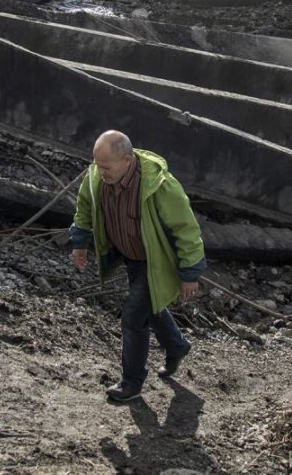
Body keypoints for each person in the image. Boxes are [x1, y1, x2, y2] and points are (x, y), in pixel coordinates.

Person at [69, 130, 206, 402]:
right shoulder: (97, 176)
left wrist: (190, 273)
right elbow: (84, 206)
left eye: (106, 167)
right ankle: (177, 346)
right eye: (97, 164)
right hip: (129, 255)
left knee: (133, 316)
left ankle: (131, 382)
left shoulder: (160, 185)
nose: (99, 172)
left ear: (128, 161)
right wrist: (80, 243)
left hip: (155, 260)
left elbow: (187, 229)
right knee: (150, 306)